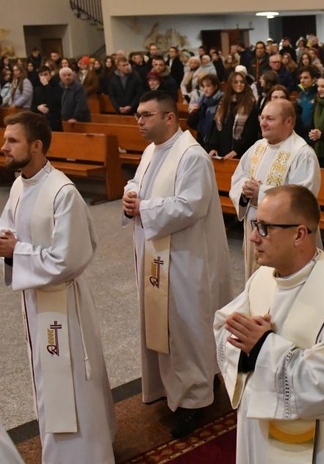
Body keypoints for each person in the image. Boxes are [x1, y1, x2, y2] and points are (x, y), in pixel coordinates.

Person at [214, 185, 324, 463]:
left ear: (300, 234)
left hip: (318, 445)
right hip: (259, 429)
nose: (254, 236)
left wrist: (262, 347)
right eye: (256, 224)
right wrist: (244, 346)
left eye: (265, 227)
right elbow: (224, 327)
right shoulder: (262, 279)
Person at [0, 111, 116, 462]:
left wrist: (16, 250)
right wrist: (8, 247)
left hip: (62, 304)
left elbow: (70, 259)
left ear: (36, 146)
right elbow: (8, 230)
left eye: (12, 141)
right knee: (51, 385)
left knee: (72, 385)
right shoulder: (21, 183)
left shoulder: (63, 192)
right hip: (36, 300)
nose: (4, 147)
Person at [122, 90, 232, 438]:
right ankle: (175, 390)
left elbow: (190, 205)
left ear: (170, 117)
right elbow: (139, 184)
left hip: (186, 259)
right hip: (159, 256)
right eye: (138, 115)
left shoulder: (191, 156)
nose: (139, 121)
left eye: (146, 115)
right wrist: (129, 194)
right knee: (167, 326)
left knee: (187, 328)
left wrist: (143, 209)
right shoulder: (152, 150)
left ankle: (194, 402)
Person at [230, 99, 321, 280]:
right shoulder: (258, 147)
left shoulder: (302, 153)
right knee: (256, 281)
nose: (263, 123)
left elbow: (302, 199)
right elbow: (238, 177)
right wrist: (244, 190)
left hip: (284, 235)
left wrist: (261, 194)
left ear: (288, 122)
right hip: (254, 226)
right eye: (262, 117)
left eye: (270, 119)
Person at [207, 72, 261, 160]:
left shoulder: (250, 103)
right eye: (235, 82)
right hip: (223, 149)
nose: (239, 84)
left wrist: (236, 150)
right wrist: (213, 147)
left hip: (241, 152)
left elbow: (251, 131)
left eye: (241, 82)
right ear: (230, 84)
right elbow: (217, 127)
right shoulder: (223, 102)